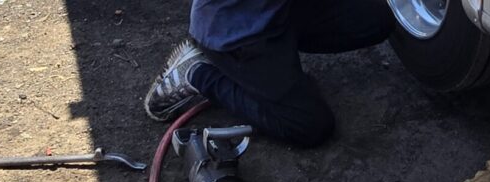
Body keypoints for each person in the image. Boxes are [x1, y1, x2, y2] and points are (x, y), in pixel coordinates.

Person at [143, 0, 395, 147]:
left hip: (277, 8)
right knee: (310, 126)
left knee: (377, 19)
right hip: (236, 28)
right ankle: (199, 73)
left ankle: (280, 68)